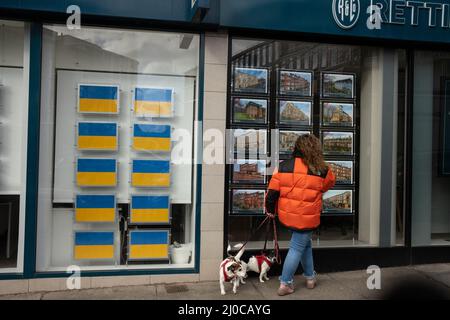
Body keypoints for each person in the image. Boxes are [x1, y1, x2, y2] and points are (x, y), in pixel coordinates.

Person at [265, 134, 336, 296]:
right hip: (308, 216)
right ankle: (286, 283)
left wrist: (270, 210)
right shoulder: (322, 170)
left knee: (305, 245)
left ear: (296, 147)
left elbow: (272, 193)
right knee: (298, 247)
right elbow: (329, 184)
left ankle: (310, 277)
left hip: (288, 215)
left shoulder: (283, 166)